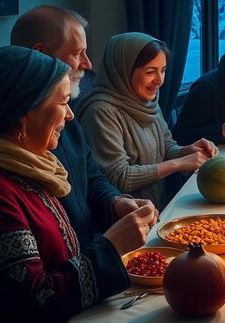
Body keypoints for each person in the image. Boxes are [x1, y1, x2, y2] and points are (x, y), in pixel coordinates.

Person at [0, 46, 155, 323]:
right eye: (62, 103)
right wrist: (111, 247)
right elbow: (36, 301)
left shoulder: (34, 168)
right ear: (24, 113)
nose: (70, 116)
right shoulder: (5, 191)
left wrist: (116, 211)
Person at [10, 6, 160, 253]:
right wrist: (107, 250)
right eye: (78, 52)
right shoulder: (22, 140)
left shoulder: (65, 116)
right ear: (41, 54)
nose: (88, 65)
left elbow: (92, 178)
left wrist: (116, 202)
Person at [76, 33, 217, 208]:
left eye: (163, 70)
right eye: (150, 72)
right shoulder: (101, 111)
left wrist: (186, 151)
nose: (159, 80)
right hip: (125, 219)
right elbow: (119, 178)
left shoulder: (147, 101)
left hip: (156, 208)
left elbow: (166, 148)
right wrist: (178, 163)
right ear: (124, 70)